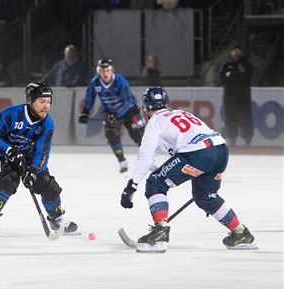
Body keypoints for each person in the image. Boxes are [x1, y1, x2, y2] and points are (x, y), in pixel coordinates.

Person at [120, 87, 257, 253]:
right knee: (205, 197)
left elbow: (145, 157)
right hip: (220, 150)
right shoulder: (181, 114)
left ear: (146, 107)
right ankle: (241, 233)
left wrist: (132, 186)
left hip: (199, 154)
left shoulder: (155, 121)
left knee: (156, 183)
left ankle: (160, 234)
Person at [0, 81, 78, 240]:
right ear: (31, 101)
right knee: (9, 181)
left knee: (46, 183)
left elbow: (42, 152)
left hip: (25, 153)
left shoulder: (47, 124)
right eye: (42, 102)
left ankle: (56, 220)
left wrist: (34, 170)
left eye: (49, 102)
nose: (46, 106)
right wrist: (9, 150)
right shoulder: (11, 115)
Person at [79, 58, 146, 173]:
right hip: (110, 112)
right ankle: (122, 161)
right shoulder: (95, 83)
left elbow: (128, 101)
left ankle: (149, 161)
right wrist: (85, 112)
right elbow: (90, 96)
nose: (105, 73)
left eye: (108, 70)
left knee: (140, 136)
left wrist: (117, 114)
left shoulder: (120, 81)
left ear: (112, 71)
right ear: (98, 71)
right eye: (102, 70)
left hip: (129, 110)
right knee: (111, 134)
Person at [219, 45, 254, 146]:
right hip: (230, 98)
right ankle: (232, 140)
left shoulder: (246, 63)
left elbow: (248, 75)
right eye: (234, 51)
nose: (236, 53)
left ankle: (248, 140)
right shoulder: (227, 64)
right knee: (230, 119)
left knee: (246, 119)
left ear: (241, 52)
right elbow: (221, 77)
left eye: (238, 51)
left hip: (243, 98)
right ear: (231, 52)